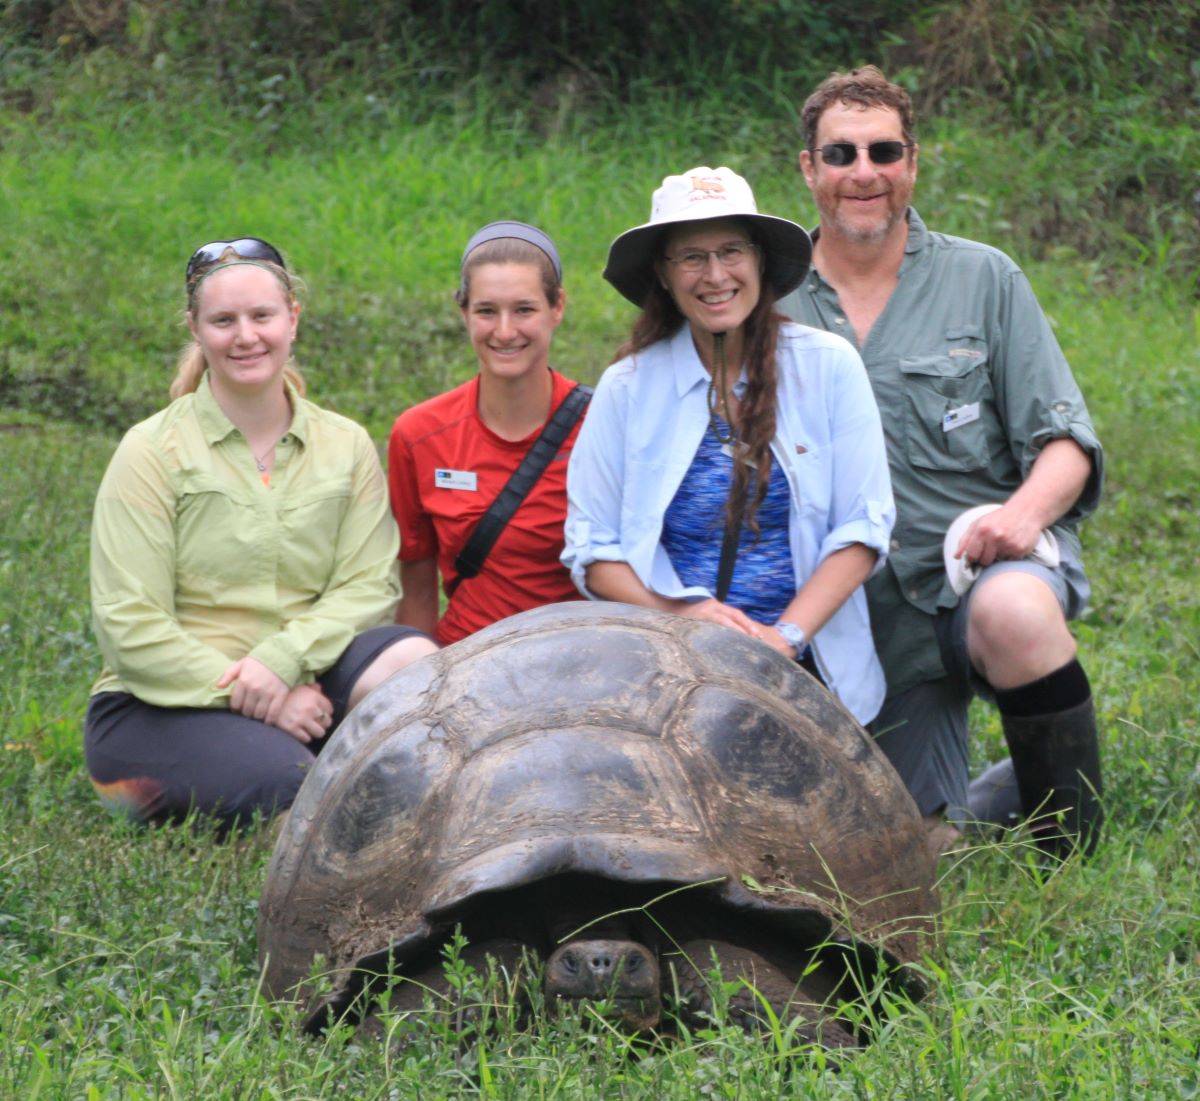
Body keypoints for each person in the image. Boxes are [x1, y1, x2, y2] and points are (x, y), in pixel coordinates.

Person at [779, 66, 1105, 860]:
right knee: (904, 850)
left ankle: (1072, 841)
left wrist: (1020, 517)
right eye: (842, 153)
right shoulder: (769, 298)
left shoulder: (982, 278)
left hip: (967, 579)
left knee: (1018, 613)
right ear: (809, 168)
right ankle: (987, 794)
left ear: (912, 163)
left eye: (883, 151)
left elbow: (1064, 440)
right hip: (847, 608)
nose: (864, 172)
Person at [86, 237, 436, 832]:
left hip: (305, 672)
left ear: (292, 319)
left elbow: (369, 585)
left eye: (261, 316)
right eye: (224, 320)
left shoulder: (344, 444)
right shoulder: (150, 451)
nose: (245, 336)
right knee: (301, 789)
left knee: (418, 665)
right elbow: (130, 624)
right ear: (197, 329)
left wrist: (281, 662)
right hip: (160, 703)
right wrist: (263, 694)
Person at [563, 167, 894, 727]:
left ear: (760, 261)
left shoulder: (828, 365)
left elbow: (864, 526)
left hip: (807, 664)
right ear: (664, 276)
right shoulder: (628, 387)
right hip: (668, 669)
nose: (715, 275)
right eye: (691, 257)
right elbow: (591, 548)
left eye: (731, 251)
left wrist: (781, 640)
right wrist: (684, 613)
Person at [388, 222, 586, 646]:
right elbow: (417, 587)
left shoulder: (604, 426)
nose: (505, 331)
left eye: (524, 309)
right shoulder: (419, 435)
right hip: (467, 664)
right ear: (463, 312)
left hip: (579, 665)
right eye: (486, 311)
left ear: (558, 307)